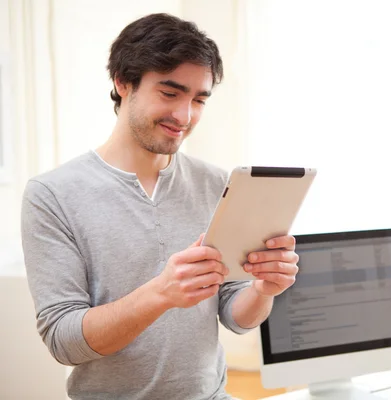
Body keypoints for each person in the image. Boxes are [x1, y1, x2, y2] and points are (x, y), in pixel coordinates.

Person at [20, 13, 299, 400]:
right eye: (170, 94)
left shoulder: (217, 183)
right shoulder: (51, 195)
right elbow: (63, 341)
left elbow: (235, 315)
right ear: (122, 83)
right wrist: (160, 294)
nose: (184, 117)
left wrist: (264, 289)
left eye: (198, 100)